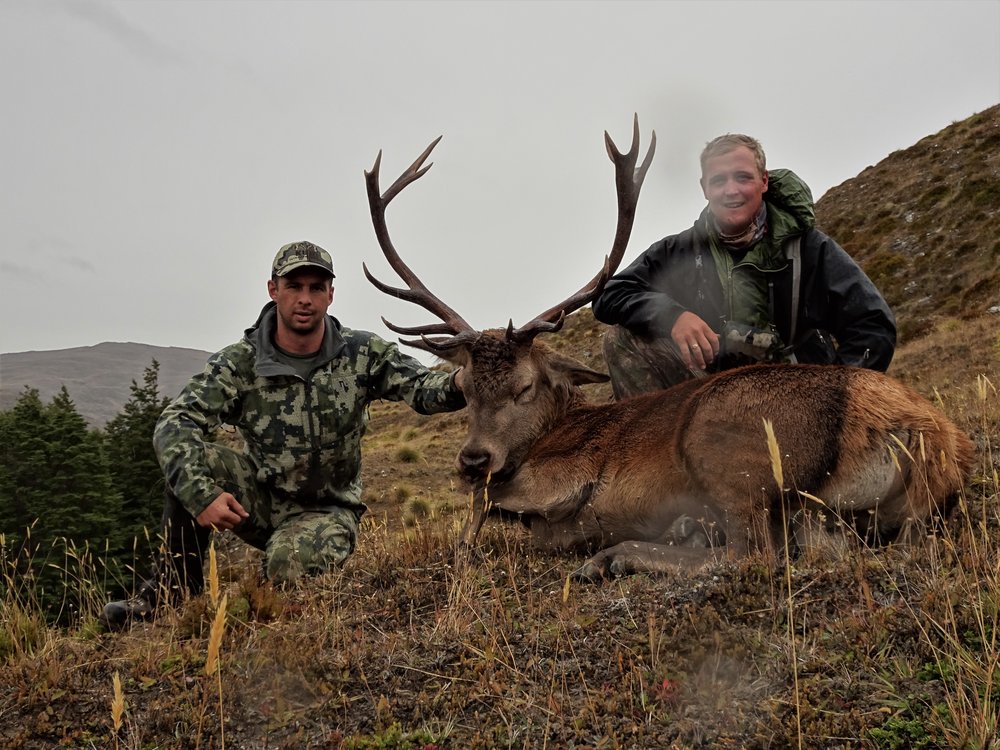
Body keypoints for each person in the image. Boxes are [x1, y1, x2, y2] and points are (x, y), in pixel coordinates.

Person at [101, 241, 465, 629]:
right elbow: (175, 422)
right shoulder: (240, 363)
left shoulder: (362, 353)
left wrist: (466, 379)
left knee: (287, 566)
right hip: (259, 498)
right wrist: (202, 495)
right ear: (273, 290)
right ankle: (172, 595)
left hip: (327, 509)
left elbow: (425, 390)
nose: (304, 299)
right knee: (194, 465)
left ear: (330, 295)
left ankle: (275, 575)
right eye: (294, 287)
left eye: (315, 288)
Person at [592, 133, 896, 400]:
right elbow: (611, 294)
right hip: (715, 396)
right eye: (719, 180)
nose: (731, 190)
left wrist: (835, 396)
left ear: (764, 181)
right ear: (704, 188)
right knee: (622, 340)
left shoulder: (809, 247)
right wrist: (673, 316)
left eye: (743, 177)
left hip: (801, 397)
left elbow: (872, 324)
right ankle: (660, 458)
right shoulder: (681, 250)